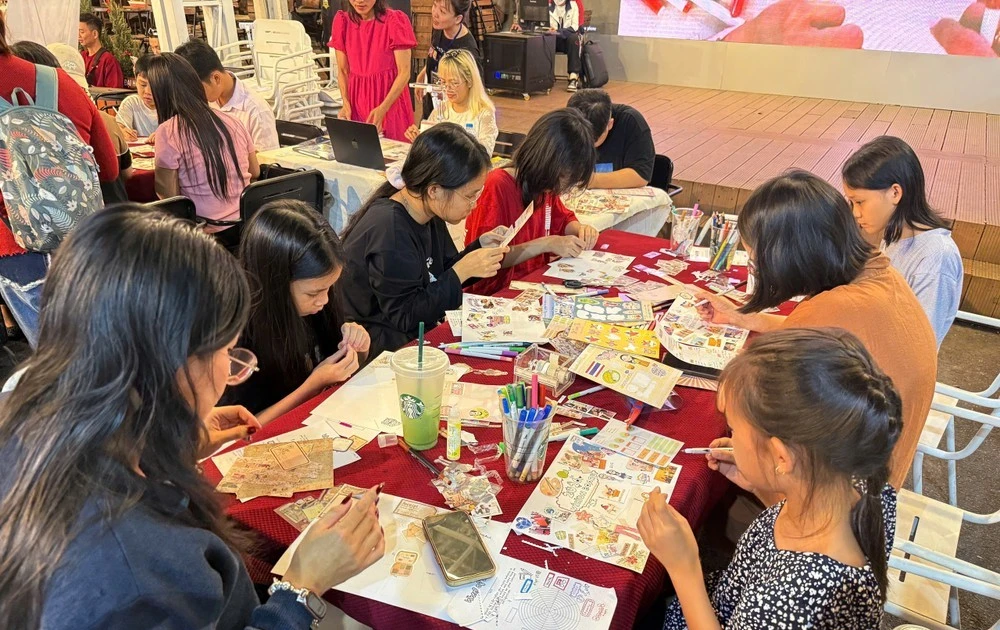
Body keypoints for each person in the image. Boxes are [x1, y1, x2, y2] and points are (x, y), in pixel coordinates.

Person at [0, 206, 385, 630]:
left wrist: (171, 442)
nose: (230, 371)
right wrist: (302, 587)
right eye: (228, 353)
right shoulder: (135, 570)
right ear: (175, 364)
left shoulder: (29, 402)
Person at [639, 328, 900, 629]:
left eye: (733, 430)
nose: (730, 439)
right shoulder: (860, 482)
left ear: (781, 457)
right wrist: (762, 484)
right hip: (730, 599)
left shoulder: (793, 599)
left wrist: (683, 566)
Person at [696, 170, 936, 489]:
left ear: (788, 257)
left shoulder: (833, 308)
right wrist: (741, 318)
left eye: (757, 264)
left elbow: (740, 401)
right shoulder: (874, 273)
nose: (758, 274)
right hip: (873, 473)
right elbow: (822, 332)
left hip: (844, 496)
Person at [0, 14, 120, 347]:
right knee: (106, 341)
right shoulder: (60, 81)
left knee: (58, 355)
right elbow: (108, 170)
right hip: (84, 235)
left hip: (16, 247)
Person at [340, 124, 509, 358]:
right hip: (374, 342)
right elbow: (406, 314)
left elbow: (439, 272)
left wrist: (477, 249)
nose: (474, 204)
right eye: (470, 196)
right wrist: (462, 271)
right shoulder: (390, 227)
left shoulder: (428, 210)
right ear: (435, 190)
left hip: (405, 328)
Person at [224, 200, 370, 425]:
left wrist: (358, 347)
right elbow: (239, 428)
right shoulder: (236, 333)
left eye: (330, 287)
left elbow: (336, 360)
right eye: (314, 294)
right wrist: (313, 385)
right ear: (276, 284)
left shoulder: (317, 294)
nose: (325, 300)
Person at [842, 136, 963, 347]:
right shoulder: (894, 236)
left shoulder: (936, 257)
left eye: (859, 202)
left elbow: (920, 344)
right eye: (851, 202)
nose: (855, 213)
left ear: (895, 192)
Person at [464, 108, 599, 295]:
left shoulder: (545, 186)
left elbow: (564, 219)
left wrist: (580, 230)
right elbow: (485, 258)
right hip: (496, 293)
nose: (560, 188)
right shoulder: (498, 185)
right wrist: (546, 243)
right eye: (562, 178)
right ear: (545, 161)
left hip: (534, 285)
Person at [148, 53, 259, 251]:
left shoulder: (168, 131)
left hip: (204, 236)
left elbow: (170, 198)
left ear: (161, 93)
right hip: (246, 227)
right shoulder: (232, 121)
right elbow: (255, 170)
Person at [9, 40, 130, 206]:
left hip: (30, 218)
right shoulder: (78, 99)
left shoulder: (13, 113)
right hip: (97, 216)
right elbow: (109, 170)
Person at [331, 0, 417, 141]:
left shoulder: (394, 21)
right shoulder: (343, 21)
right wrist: (346, 103)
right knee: (360, 152)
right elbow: (343, 70)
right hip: (357, 102)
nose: (360, 1)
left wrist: (383, 108)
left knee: (395, 155)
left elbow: (404, 72)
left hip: (390, 102)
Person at [175, 39, 280, 153]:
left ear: (216, 78)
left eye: (198, 88)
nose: (195, 94)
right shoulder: (208, 100)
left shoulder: (256, 110)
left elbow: (267, 160)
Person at [405, 49, 498, 155]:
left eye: (454, 83)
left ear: (469, 81)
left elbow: (484, 155)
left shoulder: (484, 113)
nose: (447, 88)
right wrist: (419, 139)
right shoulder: (441, 110)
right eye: (443, 82)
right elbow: (430, 148)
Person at [567, 88, 655, 189]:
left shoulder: (630, 121)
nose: (587, 147)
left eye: (594, 142)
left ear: (610, 124)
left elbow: (640, 176)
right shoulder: (564, 123)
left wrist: (589, 181)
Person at [414, 0, 480, 120]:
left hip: (452, 113)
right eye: (434, 5)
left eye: (442, 11)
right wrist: (423, 74)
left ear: (458, 19)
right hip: (433, 103)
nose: (435, 13)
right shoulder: (439, 26)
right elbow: (435, 54)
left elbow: (476, 91)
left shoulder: (468, 50)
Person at [511, 0, 582, 91]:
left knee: (574, 38)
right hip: (550, 40)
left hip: (565, 41)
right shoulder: (546, 5)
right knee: (538, 40)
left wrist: (558, 32)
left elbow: (574, 27)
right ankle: (541, 77)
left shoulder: (573, 5)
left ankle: (573, 77)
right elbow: (538, 25)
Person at [115, 55, 159, 140]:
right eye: (143, 85)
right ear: (136, 80)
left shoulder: (171, 104)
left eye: (154, 86)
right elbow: (118, 128)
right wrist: (123, 132)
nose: (147, 92)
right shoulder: (131, 103)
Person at [78, 13, 123, 88]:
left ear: (95, 34)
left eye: (82, 32)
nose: (78, 35)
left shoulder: (108, 60)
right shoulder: (80, 56)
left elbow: (114, 93)